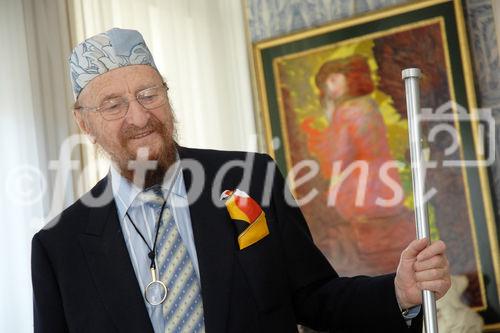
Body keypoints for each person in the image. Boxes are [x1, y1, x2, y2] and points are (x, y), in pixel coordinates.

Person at [31, 28, 450, 333]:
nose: (139, 117)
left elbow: (316, 297)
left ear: (167, 94)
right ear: (83, 122)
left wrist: (399, 293)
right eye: (113, 105)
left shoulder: (253, 177)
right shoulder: (59, 246)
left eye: (148, 94)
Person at [301, 56, 416, 274]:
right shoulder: (368, 105)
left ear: (347, 78)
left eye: (333, 79)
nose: (329, 87)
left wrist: (317, 141)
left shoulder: (346, 110)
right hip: (383, 179)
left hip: (361, 185)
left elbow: (340, 154)